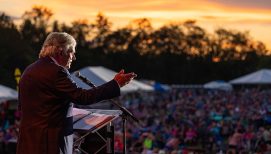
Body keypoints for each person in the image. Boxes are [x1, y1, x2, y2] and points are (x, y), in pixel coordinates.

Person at [16, 32, 137, 154]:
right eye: (72, 52)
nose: (74, 57)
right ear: (61, 51)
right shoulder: (56, 71)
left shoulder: (29, 70)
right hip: (50, 142)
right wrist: (115, 83)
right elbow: (83, 97)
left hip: (28, 142)